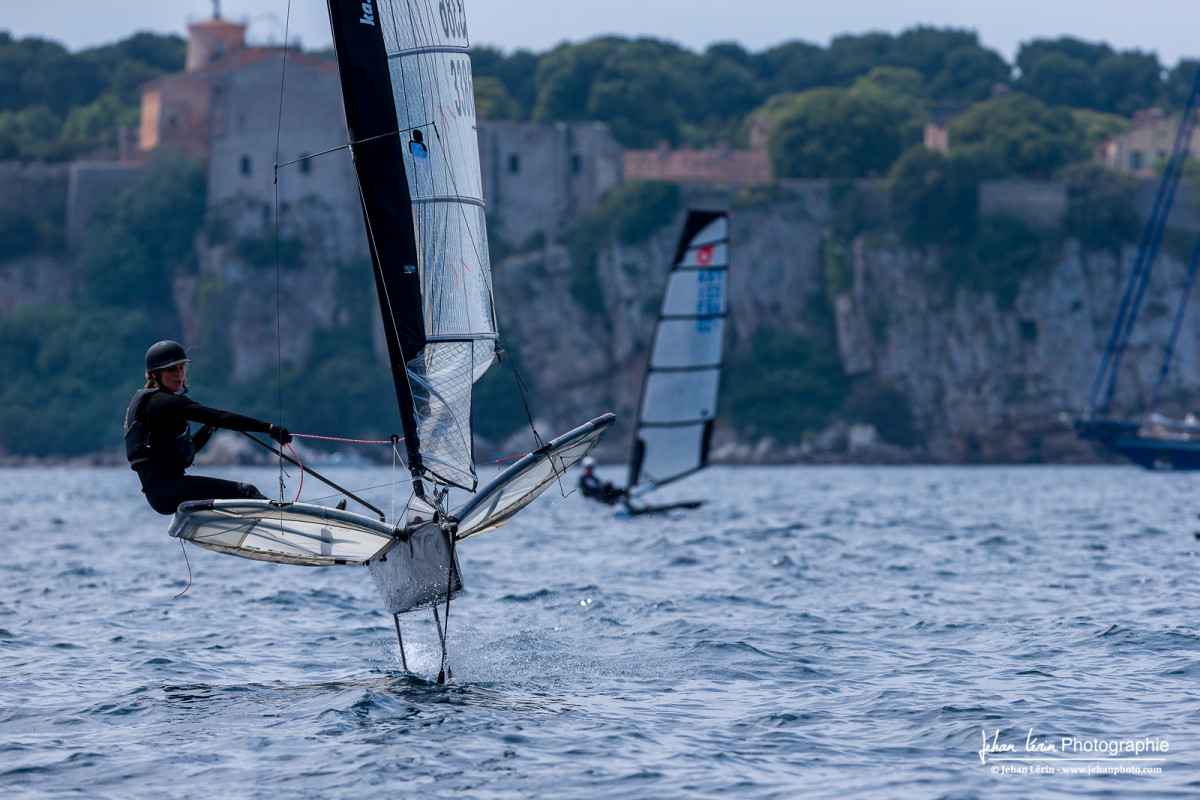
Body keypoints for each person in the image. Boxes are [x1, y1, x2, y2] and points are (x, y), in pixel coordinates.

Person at [125, 340, 293, 515]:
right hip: (170, 488)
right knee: (247, 492)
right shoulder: (165, 402)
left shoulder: (151, 403)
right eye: (172, 369)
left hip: (162, 494)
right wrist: (269, 428)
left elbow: (187, 451)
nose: (179, 374)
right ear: (154, 374)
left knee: (241, 496)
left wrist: (209, 428)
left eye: (182, 368)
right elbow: (220, 417)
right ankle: (286, 520)